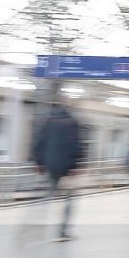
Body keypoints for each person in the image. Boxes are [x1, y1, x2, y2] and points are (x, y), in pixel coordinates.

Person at [31, 87, 83, 242]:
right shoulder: (72, 121)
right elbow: (76, 145)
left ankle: (36, 225)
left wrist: (39, 162)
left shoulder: (48, 121)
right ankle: (62, 231)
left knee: (47, 196)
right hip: (67, 167)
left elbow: (39, 142)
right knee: (68, 199)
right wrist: (75, 165)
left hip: (50, 164)